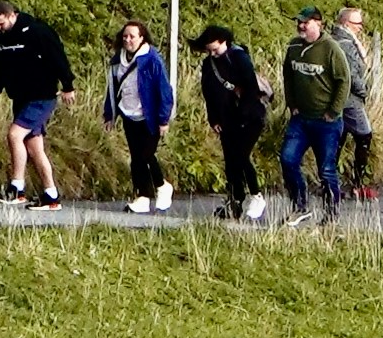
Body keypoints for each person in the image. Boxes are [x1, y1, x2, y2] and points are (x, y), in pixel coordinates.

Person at [0, 0, 71, 207]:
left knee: (14, 135)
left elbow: (58, 57)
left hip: (42, 96)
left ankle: (16, 188)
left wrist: (68, 85)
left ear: (12, 15)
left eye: (1, 24)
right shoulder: (0, 41)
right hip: (20, 98)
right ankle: (51, 195)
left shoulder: (37, 31)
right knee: (34, 147)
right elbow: (0, 69)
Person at [281, 6, 355, 217]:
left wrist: (333, 111)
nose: (301, 26)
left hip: (326, 122)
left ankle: (331, 212)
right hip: (300, 119)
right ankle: (300, 206)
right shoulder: (294, 46)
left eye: (306, 22)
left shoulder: (331, 49)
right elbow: (287, 75)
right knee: (288, 159)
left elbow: (344, 81)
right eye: (299, 22)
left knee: (326, 170)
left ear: (318, 24)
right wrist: (292, 104)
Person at [193, 23, 271, 222]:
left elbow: (251, 88)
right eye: (209, 51)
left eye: (215, 49)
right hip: (226, 118)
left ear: (224, 41)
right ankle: (235, 201)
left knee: (240, 156)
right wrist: (213, 118)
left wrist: (244, 115)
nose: (213, 54)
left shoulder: (239, 57)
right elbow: (208, 93)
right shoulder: (209, 64)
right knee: (230, 161)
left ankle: (256, 195)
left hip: (250, 117)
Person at [103, 14, 177, 210]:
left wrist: (163, 119)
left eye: (132, 36)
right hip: (128, 114)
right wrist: (110, 114)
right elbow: (112, 88)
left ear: (142, 38)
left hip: (149, 116)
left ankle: (162, 186)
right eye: (125, 36)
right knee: (136, 158)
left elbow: (164, 91)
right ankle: (142, 197)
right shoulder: (117, 60)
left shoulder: (152, 59)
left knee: (146, 154)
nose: (128, 40)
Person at [334, 5, 380, 207]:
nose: (361, 27)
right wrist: (364, 91)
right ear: (346, 23)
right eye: (357, 23)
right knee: (364, 135)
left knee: (340, 137)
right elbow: (351, 74)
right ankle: (357, 183)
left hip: (340, 99)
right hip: (350, 100)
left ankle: (331, 182)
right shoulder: (345, 44)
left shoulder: (336, 40)